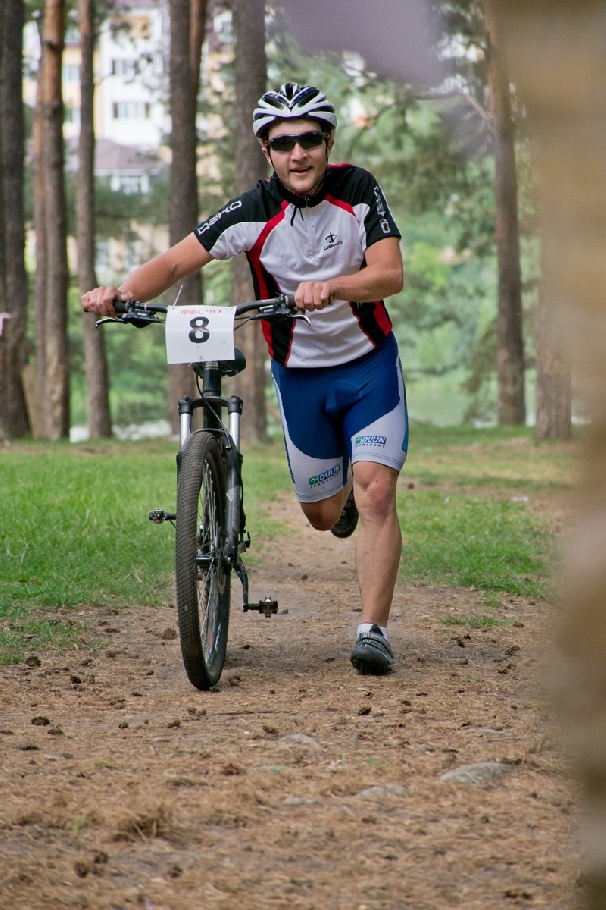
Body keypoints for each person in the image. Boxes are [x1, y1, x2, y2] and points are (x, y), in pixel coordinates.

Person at [82, 82, 408, 676]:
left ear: (328, 142)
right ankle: (343, 501)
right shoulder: (253, 209)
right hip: (300, 376)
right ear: (267, 151)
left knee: (377, 488)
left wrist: (333, 286)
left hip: (367, 366)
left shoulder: (358, 190)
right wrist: (120, 294)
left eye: (309, 139)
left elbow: (389, 274)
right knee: (323, 515)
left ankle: (373, 631)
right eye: (283, 143)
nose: (298, 154)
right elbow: (175, 261)